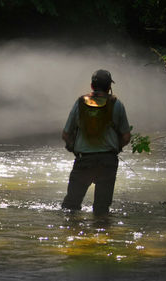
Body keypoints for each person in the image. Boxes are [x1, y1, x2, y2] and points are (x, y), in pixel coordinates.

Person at [61, 69, 131, 216]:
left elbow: (66, 134)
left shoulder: (80, 103)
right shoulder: (117, 104)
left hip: (83, 160)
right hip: (107, 162)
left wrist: (74, 148)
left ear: (92, 85)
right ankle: (102, 236)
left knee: (70, 206)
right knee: (101, 209)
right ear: (109, 87)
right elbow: (126, 137)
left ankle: (70, 235)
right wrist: (115, 149)